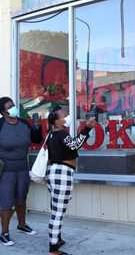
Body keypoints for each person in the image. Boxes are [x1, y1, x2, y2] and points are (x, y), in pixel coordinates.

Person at [0, 97, 42, 246]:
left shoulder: (24, 123)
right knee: (7, 202)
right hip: (4, 170)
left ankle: (22, 225)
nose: (14, 108)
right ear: (3, 112)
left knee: (21, 198)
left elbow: (37, 140)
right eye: (10, 106)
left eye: (13, 105)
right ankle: (4, 233)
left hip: (23, 168)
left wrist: (37, 126)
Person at [46, 106, 96, 255]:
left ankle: (57, 238)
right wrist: (86, 129)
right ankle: (53, 248)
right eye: (64, 115)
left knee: (56, 209)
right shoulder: (61, 133)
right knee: (58, 212)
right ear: (56, 121)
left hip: (53, 173)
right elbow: (75, 145)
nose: (67, 116)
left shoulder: (52, 134)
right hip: (62, 172)